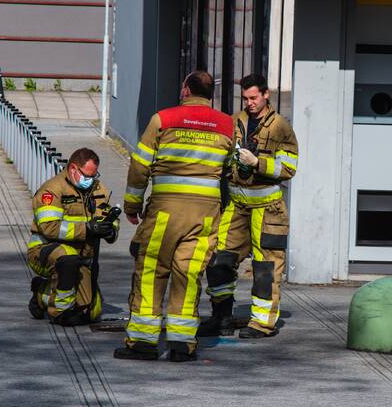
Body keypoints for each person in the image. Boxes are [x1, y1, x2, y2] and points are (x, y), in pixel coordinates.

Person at [115, 70, 234, 362]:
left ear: (185, 91)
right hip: (205, 217)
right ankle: (182, 345)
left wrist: (132, 205)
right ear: (210, 96)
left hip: (165, 212)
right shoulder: (228, 125)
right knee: (188, 276)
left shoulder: (163, 119)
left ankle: (143, 343)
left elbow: (140, 165)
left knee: (152, 272)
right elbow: (230, 170)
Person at [202, 74, 298, 339]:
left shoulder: (280, 127)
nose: (249, 103)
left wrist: (258, 163)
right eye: (245, 98)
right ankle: (221, 316)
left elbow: (289, 167)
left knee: (265, 267)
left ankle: (263, 323)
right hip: (237, 205)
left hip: (268, 209)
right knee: (220, 259)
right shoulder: (235, 121)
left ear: (266, 95)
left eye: (254, 97)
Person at [27, 147, 119, 326]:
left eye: (94, 175)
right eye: (87, 175)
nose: (91, 180)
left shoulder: (99, 189)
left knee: (91, 311)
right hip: (45, 251)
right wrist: (87, 229)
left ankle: (41, 293)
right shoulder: (52, 190)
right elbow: (49, 228)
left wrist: (110, 230)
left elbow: (108, 217)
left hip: (82, 257)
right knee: (68, 260)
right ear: (73, 169)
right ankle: (59, 312)